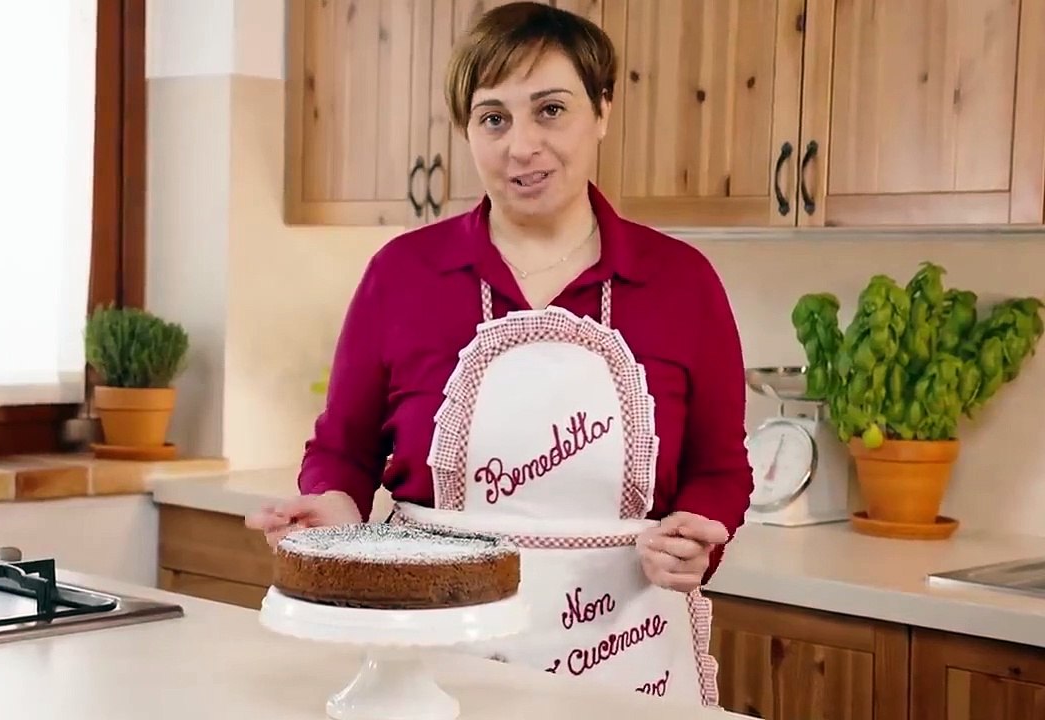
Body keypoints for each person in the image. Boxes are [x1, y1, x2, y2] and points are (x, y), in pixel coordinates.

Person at [247, 2, 752, 703]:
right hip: (435, 654)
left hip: (626, 656)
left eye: (550, 110)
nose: (521, 145)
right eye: (493, 118)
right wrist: (334, 512)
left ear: (602, 110)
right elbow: (344, 451)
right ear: (468, 130)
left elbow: (720, 469)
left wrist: (700, 536)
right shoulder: (403, 274)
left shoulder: (682, 282)